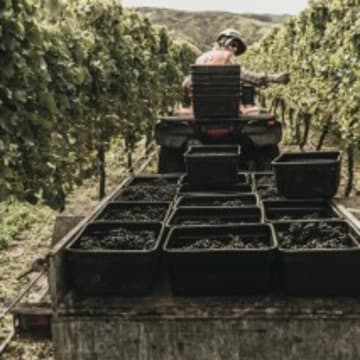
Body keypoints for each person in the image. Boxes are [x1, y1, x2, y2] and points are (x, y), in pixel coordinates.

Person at [181, 28, 289, 113]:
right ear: (222, 42)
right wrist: (274, 78)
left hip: (201, 109)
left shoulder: (201, 59)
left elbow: (186, 84)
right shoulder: (227, 58)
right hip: (227, 107)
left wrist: (186, 104)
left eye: (236, 47)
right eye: (233, 44)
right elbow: (246, 76)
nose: (235, 49)